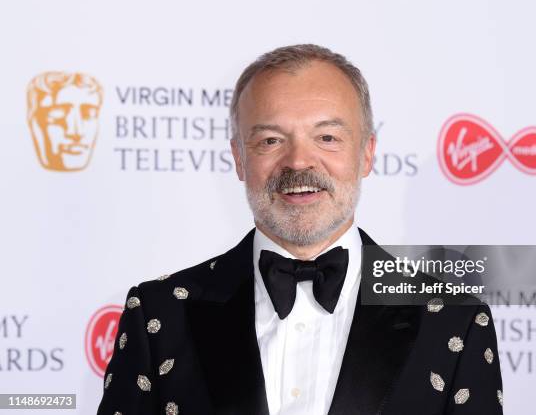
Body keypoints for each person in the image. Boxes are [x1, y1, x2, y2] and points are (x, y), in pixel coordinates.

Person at [97, 44, 503, 415]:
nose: (298, 163)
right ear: (239, 158)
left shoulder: (455, 323)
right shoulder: (159, 314)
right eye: (271, 140)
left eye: (327, 137)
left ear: (367, 154)